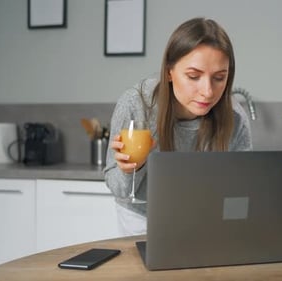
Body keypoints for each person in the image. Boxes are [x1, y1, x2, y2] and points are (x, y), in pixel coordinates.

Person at [104, 17, 253, 237]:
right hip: (142, 219)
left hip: (205, 218)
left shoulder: (234, 117)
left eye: (219, 78)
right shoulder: (136, 105)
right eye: (194, 76)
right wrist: (129, 170)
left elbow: (243, 188)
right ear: (169, 72)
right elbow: (118, 189)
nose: (208, 91)